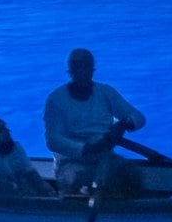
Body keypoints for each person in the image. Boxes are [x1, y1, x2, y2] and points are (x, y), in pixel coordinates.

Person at [44, 48, 149, 194]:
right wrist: (86, 148)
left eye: (86, 67)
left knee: (133, 174)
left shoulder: (106, 93)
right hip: (70, 163)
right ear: (70, 71)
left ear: (93, 70)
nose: (82, 71)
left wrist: (125, 123)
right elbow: (53, 140)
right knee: (79, 180)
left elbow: (139, 117)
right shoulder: (56, 99)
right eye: (77, 67)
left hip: (104, 158)